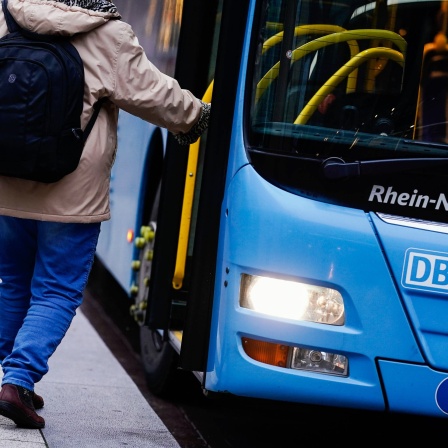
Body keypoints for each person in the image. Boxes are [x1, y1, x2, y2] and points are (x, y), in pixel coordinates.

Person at [0, 0, 210, 429]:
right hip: (70, 195)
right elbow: (154, 94)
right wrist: (199, 117)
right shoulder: (107, 33)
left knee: (13, 282)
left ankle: (10, 378)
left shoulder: (7, 14)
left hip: (8, 181)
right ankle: (17, 379)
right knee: (56, 291)